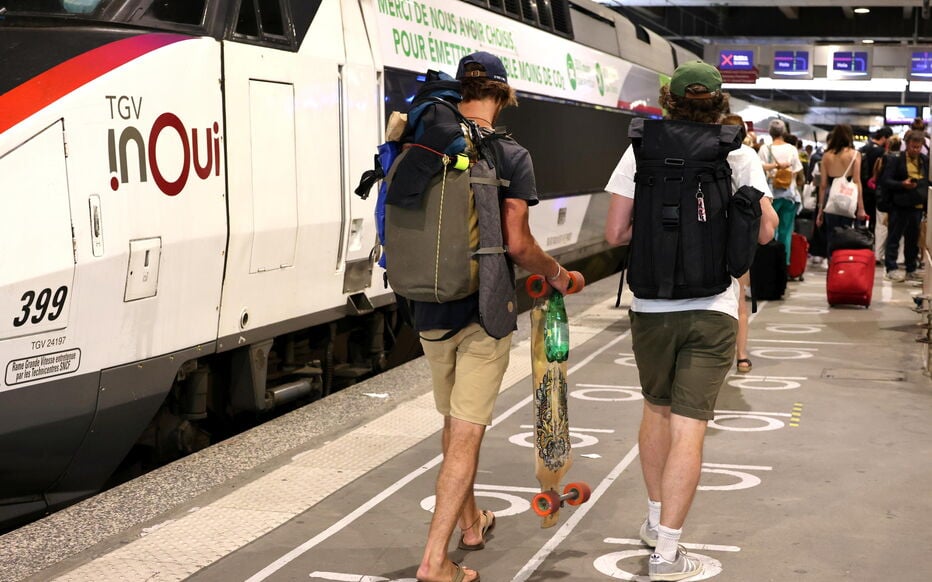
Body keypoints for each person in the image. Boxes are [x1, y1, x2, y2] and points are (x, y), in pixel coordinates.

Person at [603, 61, 777, 581]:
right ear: (720, 101)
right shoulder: (739, 152)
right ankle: (667, 553)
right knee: (690, 428)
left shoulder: (640, 148)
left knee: (656, 412)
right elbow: (765, 233)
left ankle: (655, 522)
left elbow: (615, 232)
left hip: (651, 307)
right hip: (714, 307)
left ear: (669, 100)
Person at [411, 51, 575, 582]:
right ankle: (435, 562)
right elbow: (519, 243)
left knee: (453, 422)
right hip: (485, 312)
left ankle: (473, 524)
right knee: (467, 433)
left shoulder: (425, 138)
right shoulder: (509, 154)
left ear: (462, 90)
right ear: (503, 95)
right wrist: (555, 274)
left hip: (430, 305)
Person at [722, 114, 769, 374]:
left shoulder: (705, 152)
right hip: (737, 237)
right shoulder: (747, 155)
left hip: (704, 235)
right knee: (738, 300)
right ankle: (741, 356)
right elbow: (763, 206)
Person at [880, 130, 928, 282]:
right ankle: (891, 268)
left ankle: (911, 268)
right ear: (907, 145)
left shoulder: (925, 160)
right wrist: (902, 184)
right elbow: (886, 181)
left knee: (913, 239)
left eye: (918, 147)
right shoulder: (895, 160)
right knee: (894, 236)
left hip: (917, 205)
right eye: (913, 147)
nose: (916, 150)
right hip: (899, 204)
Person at [817, 124, 867, 255]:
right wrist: (861, 207)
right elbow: (857, 181)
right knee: (847, 234)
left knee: (832, 235)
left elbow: (822, 185)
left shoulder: (826, 155)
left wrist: (820, 210)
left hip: (831, 196)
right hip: (848, 195)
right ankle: (844, 264)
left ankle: (832, 264)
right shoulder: (855, 154)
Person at [759, 119, 804, 265]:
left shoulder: (765, 148)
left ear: (770, 132)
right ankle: (783, 265)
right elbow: (796, 172)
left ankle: (768, 264)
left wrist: (775, 167)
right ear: (783, 132)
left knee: (768, 231)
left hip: (770, 195)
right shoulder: (791, 149)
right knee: (786, 231)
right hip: (789, 195)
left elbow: (760, 168)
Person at [859, 126, 893, 234]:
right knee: (873, 218)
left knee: (862, 217)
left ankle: (860, 238)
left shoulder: (863, 149)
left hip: (861, 188)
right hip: (874, 190)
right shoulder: (882, 152)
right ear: (884, 138)